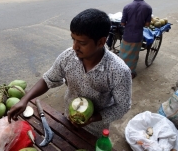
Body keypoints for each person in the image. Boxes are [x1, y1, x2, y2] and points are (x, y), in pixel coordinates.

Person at [7, 8, 132, 138]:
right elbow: (48, 79)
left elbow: (122, 107)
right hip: (68, 117)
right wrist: (25, 100)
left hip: (95, 128)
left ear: (101, 42)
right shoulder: (67, 57)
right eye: (73, 40)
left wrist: (92, 118)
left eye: (82, 43)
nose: (74, 47)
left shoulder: (118, 71)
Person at [120, 0, 152, 79]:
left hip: (127, 35)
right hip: (138, 36)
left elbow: (122, 23)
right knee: (134, 56)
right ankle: (131, 73)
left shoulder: (127, 7)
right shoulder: (148, 8)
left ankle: (121, 69)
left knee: (123, 54)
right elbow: (147, 24)